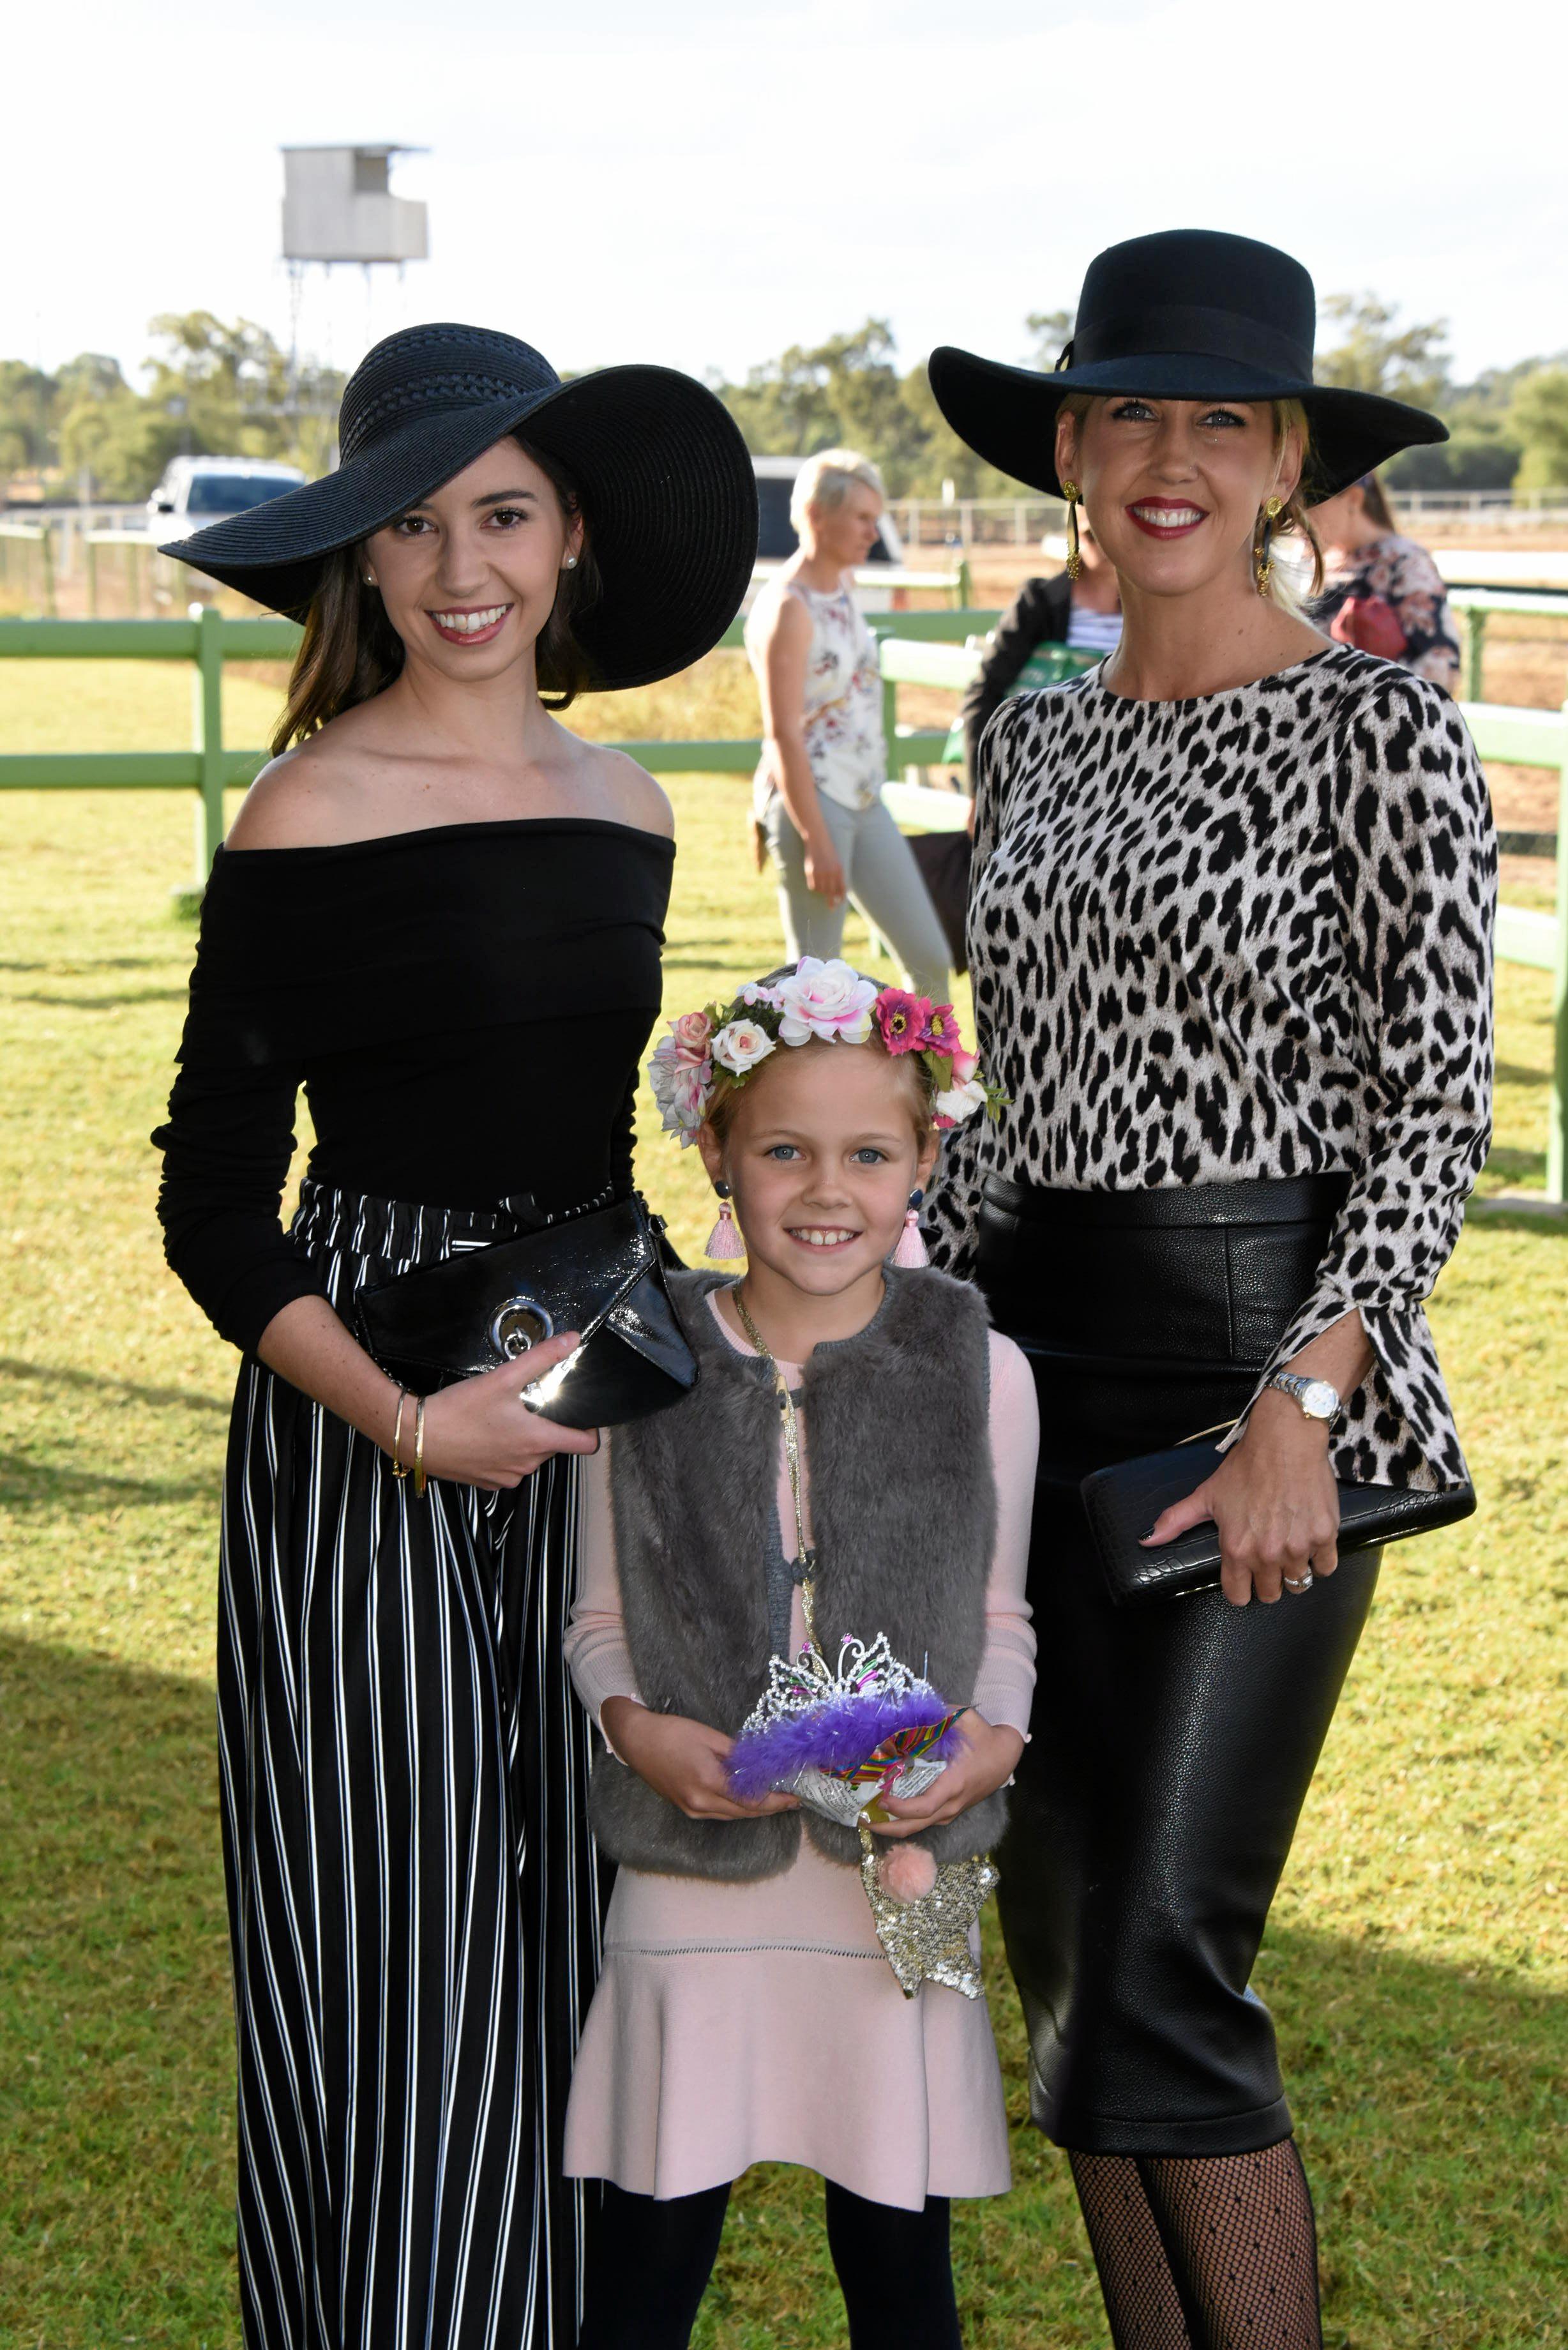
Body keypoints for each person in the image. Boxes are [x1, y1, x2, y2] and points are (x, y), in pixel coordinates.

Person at [150, 322, 757, 2350]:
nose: (456, 565)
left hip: (599, 1404)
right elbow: (210, 1202)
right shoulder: (305, 811)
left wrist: (717, 1373)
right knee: (408, 1949)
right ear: (361, 562)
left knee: (599, 1936)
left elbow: (592, 1151)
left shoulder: (632, 804)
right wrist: (413, 1420)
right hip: (372, 1441)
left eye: (499, 510)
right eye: (408, 526)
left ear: (570, 536)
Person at [924, 231, 1494, 2349]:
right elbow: (1017, 1100)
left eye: (1217, 422)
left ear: (1277, 463)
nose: (1167, 457)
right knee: (1067, 1967)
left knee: (1167, 1953)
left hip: (1259, 1389)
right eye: (1126, 414)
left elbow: (1433, 1110)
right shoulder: (1039, 740)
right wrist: (856, 1316)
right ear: (1070, 447)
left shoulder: (1376, 728)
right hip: (1023, 1379)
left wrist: (1303, 1399)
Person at [558, 958, 1037, 2350]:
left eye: (867, 1154)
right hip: (689, 1867)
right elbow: (597, 1617)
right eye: (782, 1150)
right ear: (715, 1150)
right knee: (642, 2274)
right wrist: (635, 1729)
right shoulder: (639, 1358)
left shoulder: (982, 1369)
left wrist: (990, 1746)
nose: (826, 1192)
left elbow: (1002, 1620)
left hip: (906, 1872)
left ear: (924, 1158)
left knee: (903, 2276)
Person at [745, 450, 951, 999]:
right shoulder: (788, 607)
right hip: (814, 804)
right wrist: (815, 840)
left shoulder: (842, 587)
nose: (872, 532)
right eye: (862, 518)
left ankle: (933, 1087)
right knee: (815, 985)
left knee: (930, 960)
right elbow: (782, 733)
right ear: (816, 514)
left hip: (864, 796)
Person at [959, 512, 1122, 784]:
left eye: (1114, 531)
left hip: (1122, 772)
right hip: (1045, 775)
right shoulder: (1038, 604)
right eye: (1092, 535)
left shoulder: (1154, 609)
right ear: (1072, 535)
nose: (1105, 545)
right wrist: (981, 787)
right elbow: (986, 691)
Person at [1309, 471, 1461, 691]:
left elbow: (1442, 670)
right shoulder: (1305, 562)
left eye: (1311, 501)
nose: (1295, 515)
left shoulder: (1405, 562)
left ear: (1354, 499)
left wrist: (1364, 670)